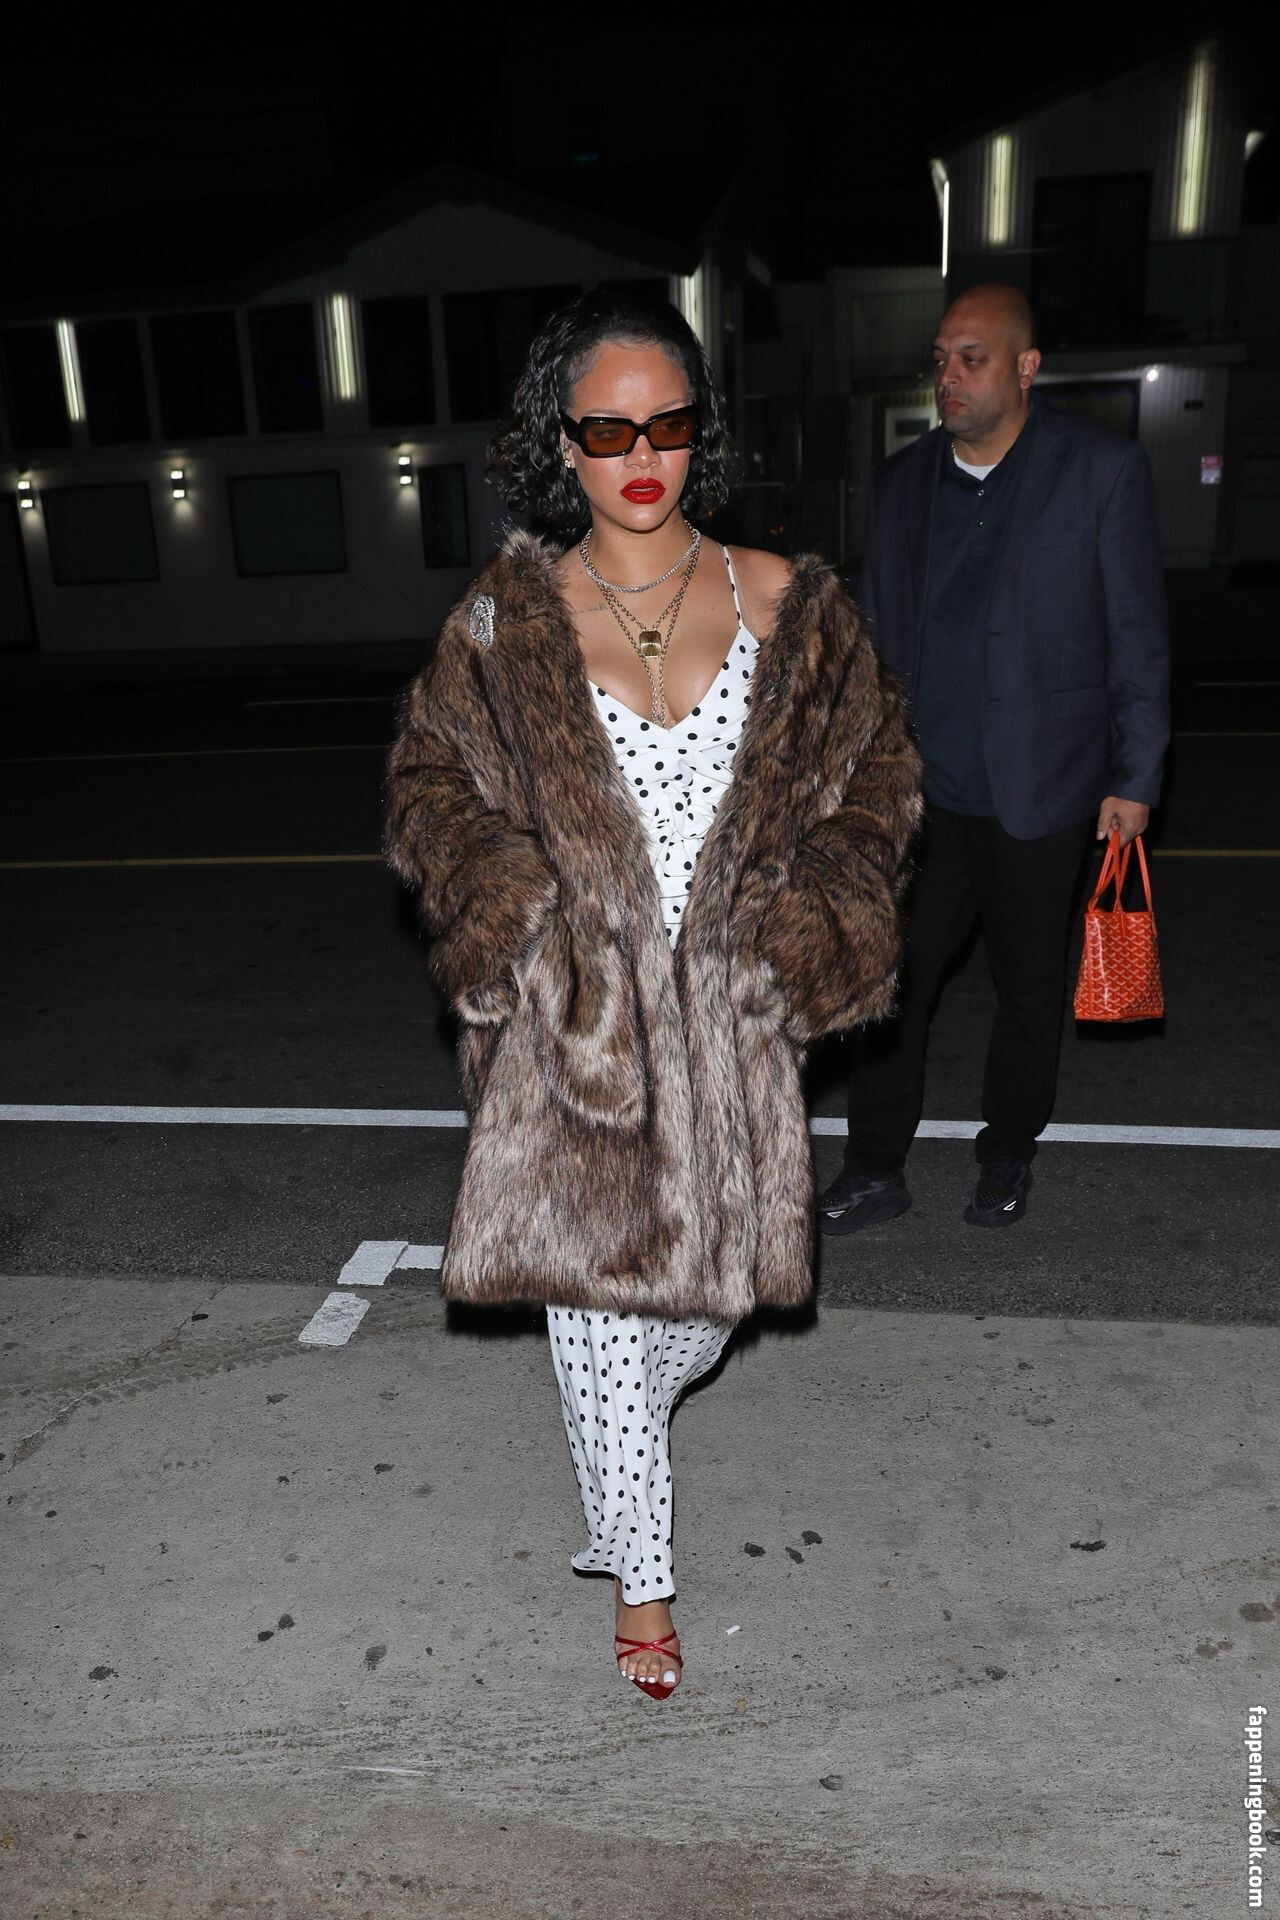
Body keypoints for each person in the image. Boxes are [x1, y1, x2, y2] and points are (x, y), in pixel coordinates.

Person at [385, 287, 922, 1700]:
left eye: (667, 424)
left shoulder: (789, 606)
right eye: (606, 429)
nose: (641, 455)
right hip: (572, 1028)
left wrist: (811, 923)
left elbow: (876, 783)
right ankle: (642, 1576)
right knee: (598, 1311)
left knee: (709, 1308)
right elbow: (432, 788)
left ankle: (618, 1440)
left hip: (731, 1020)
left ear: (700, 431)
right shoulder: (503, 623)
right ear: (559, 443)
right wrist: (515, 915)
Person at [818, 283, 1170, 1237]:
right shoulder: (902, 480)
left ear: (1025, 367)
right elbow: (872, 633)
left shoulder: (1098, 471)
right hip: (920, 796)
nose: (950, 377)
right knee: (889, 988)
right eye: (940, 360)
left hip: (1043, 789)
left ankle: (1007, 1152)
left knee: (1029, 989)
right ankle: (874, 1166)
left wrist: (1134, 778)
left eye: (971, 359)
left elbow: (1137, 636)